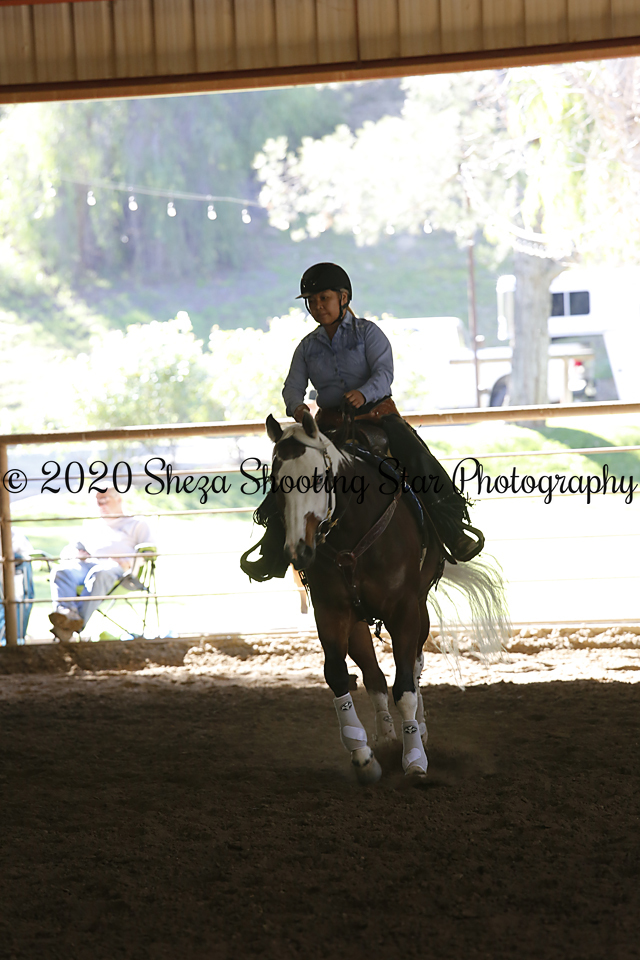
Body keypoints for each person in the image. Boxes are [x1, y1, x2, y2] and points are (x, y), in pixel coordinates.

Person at [241, 262, 483, 582]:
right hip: (328, 425)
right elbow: (292, 387)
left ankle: (452, 530)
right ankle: (274, 550)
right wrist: (296, 407)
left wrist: (363, 393)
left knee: (417, 458)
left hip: (378, 417)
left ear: (343, 298)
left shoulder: (369, 333)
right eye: (311, 301)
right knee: (291, 473)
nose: (317, 306)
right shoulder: (307, 347)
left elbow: (384, 374)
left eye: (324, 298)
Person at [49, 487, 152, 641]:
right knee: (61, 571)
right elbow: (69, 549)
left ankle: (71, 624)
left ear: (119, 499)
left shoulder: (136, 523)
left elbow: (149, 551)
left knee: (99, 573)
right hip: (87, 565)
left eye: (104, 500)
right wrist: (75, 554)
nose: (100, 505)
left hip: (119, 570)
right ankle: (67, 613)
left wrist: (129, 562)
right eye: (97, 502)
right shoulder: (92, 524)